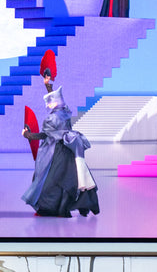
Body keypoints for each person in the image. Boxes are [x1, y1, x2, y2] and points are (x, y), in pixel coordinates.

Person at [20, 86, 99, 217]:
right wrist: (48, 86)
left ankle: (52, 209)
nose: (47, 105)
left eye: (50, 102)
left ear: (56, 102)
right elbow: (57, 101)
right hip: (69, 149)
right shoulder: (65, 111)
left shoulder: (51, 118)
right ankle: (64, 208)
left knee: (50, 181)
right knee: (71, 178)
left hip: (57, 152)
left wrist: (27, 135)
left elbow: (45, 134)